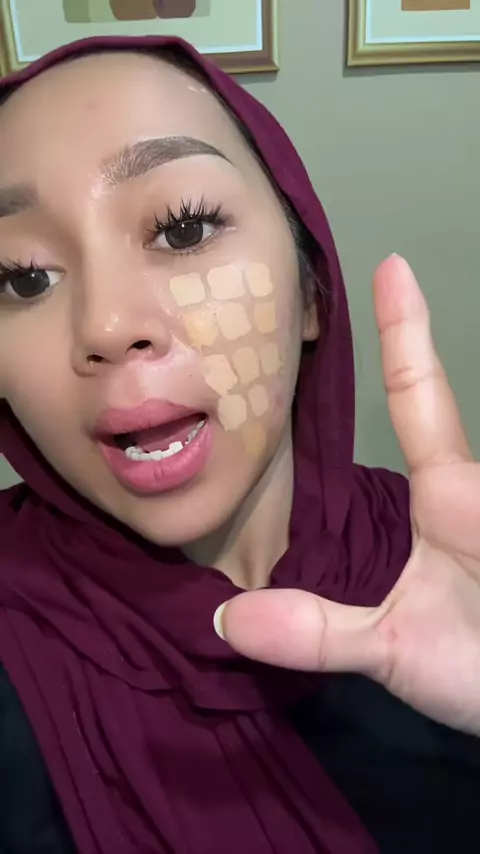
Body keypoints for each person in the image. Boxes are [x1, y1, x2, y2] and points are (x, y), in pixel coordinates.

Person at [0, 34, 479, 854]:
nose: (107, 327)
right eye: (23, 277)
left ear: (310, 291)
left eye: (183, 229)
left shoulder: (449, 564)